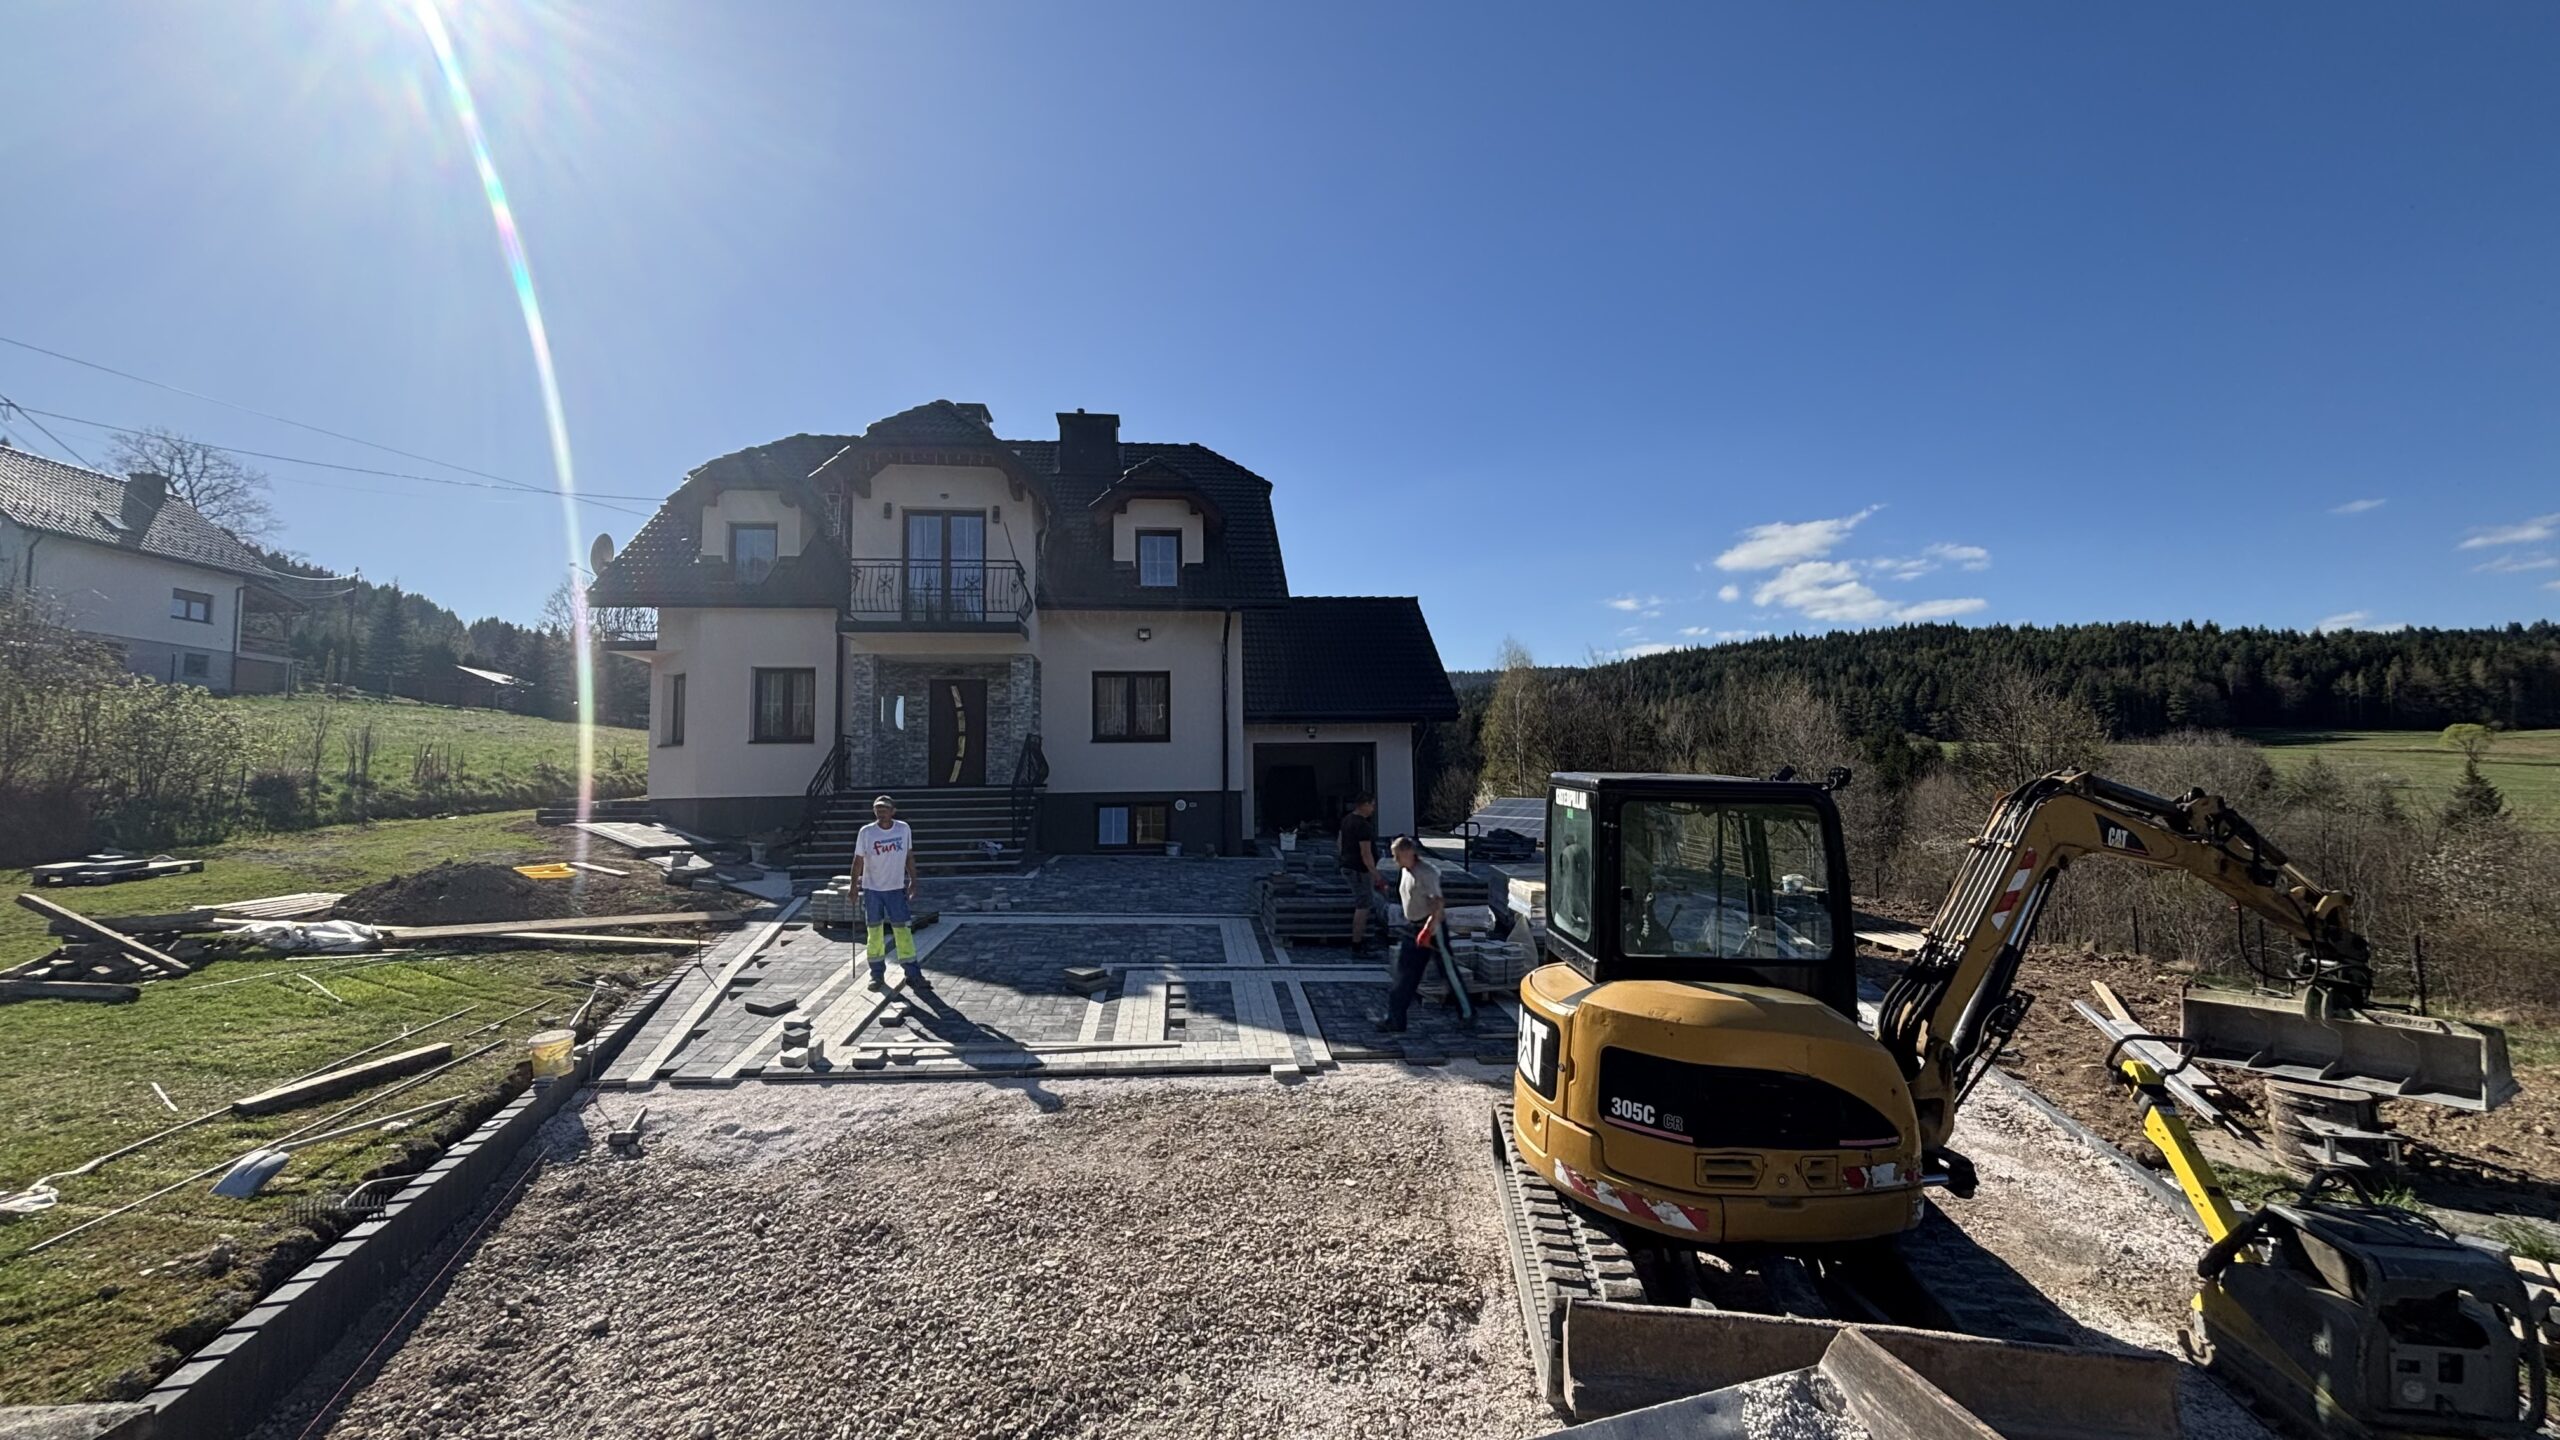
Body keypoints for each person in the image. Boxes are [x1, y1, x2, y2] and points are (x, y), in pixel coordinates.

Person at [851, 794, 921, 986]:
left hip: (895, 889)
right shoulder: (867, 832)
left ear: (893, 811)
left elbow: (909, 856)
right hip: (872, 889)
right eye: (877, 810)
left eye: (884, 810)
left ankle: (913, 972)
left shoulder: (903, 829)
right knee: (874, 933)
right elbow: (858, 860)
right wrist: (853, 886)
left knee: (903, 930)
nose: (881, 813)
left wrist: (913, 881)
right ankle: (876, 974)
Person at [1380, 835, 1445, 1032]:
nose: (1395, 860)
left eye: (1397, 856)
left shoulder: (1426, 873)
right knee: (1406, 975)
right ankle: (1395, 1018)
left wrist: (1427, 929)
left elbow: (1437, 903)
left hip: (1428, 929)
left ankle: (1467, 1013)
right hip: (1413, 927)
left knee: (1442, 973)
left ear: (1409, 853)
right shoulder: (1405, 870)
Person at [1337, 794, 1385, 956]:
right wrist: (1375, 874)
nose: (1373, 809)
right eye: (1372, 805)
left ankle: (1358, 942)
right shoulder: (1363, 826)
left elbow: (1339, 841)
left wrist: (1343, 858)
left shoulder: (1347, 820)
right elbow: (1366, 853)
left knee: (1363, 902)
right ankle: (1357, 944)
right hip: (1359, 870)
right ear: (1364, 804)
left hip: (1348, 866)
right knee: (1363, 905)